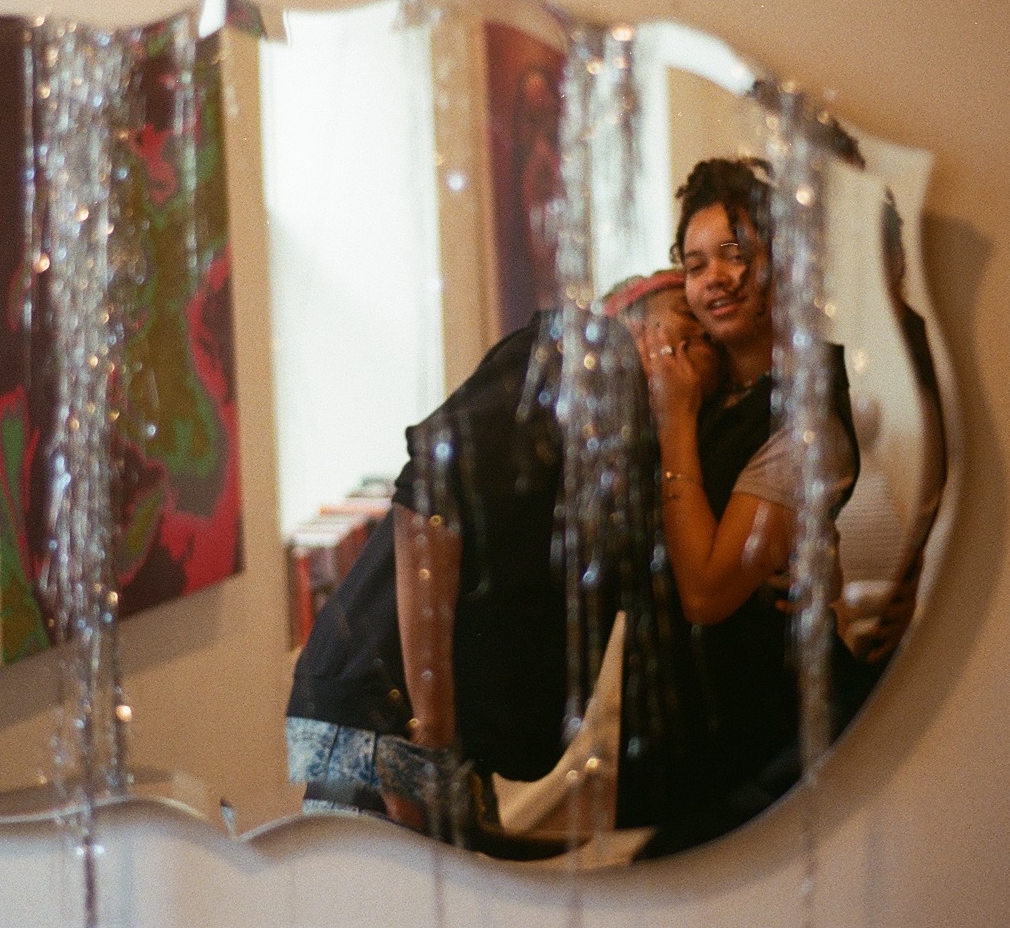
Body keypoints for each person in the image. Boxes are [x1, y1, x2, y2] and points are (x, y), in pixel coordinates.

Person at [284, 269, 720, 848]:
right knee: (387, 890)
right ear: (633, 318)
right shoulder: (590, 357)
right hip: (390, 716)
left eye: (711, 344)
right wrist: (430, 738)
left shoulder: (641, 432)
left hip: (427, 727)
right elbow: (429, 498)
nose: (699, 345)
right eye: (687, 323)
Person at [631, 157, 859, 855]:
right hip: (686, 730)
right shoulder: (706, 384)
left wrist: (673, 421)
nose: (715, 279)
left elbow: (705, 590)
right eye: (695, 264)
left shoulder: (808, 412)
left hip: (775, 743)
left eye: (735, 254)